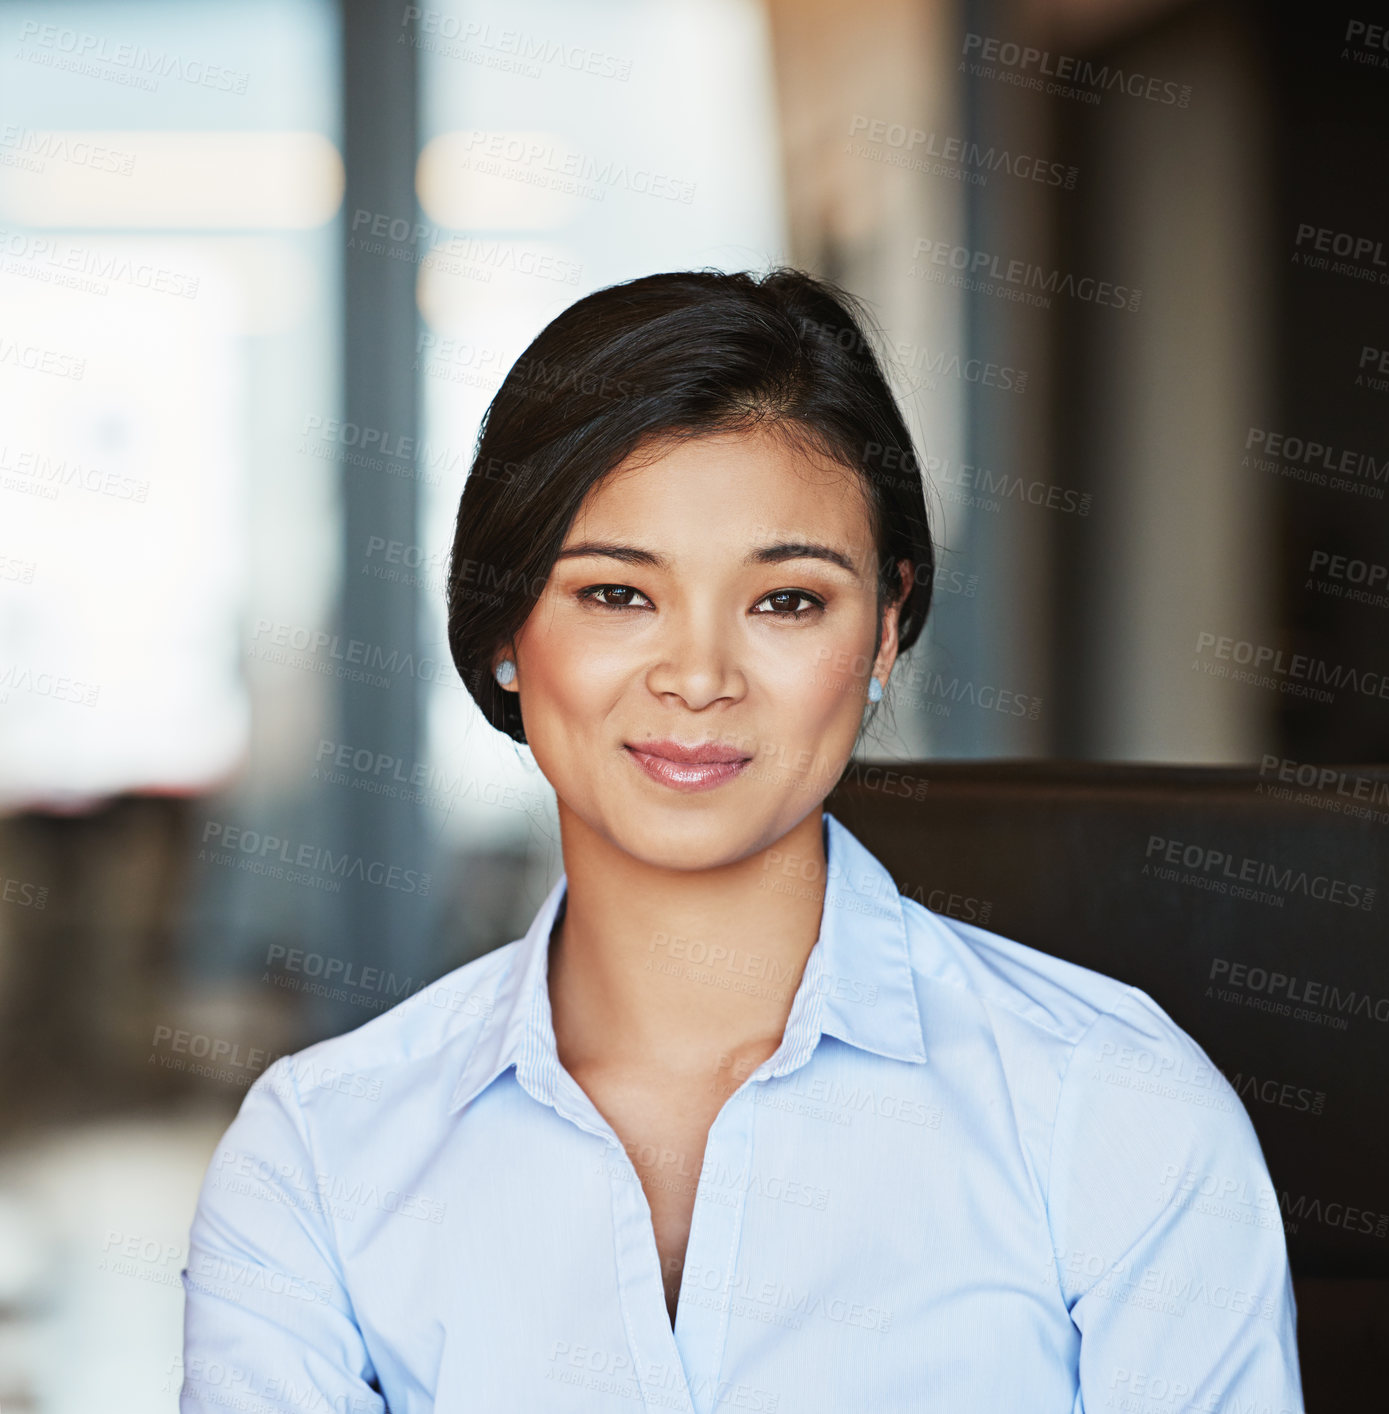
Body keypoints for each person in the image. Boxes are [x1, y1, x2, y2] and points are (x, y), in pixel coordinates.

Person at [180, 268, 1304, 1412]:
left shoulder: (1111, 1108)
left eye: (786, 601)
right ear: (506, 630)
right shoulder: (318, 1159)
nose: (700, 678)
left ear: (883, 632)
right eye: (617, 594)